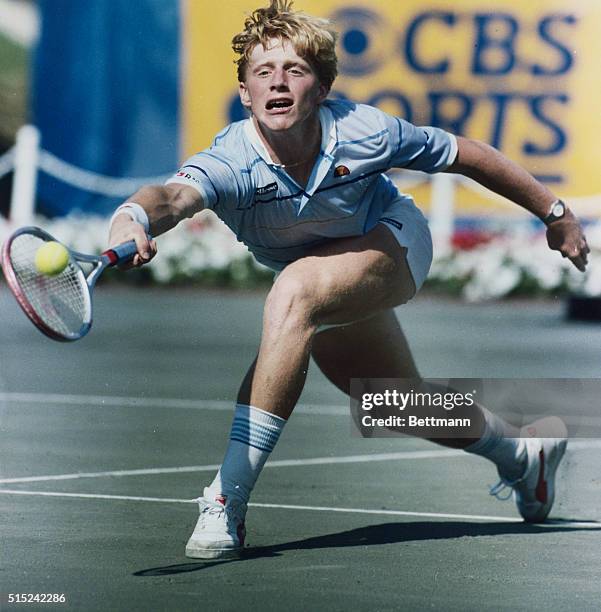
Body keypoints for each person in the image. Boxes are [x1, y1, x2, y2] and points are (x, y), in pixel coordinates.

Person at [108, 0, 589, 559]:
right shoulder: (231, 160)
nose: (278, 83)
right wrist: (132, 218)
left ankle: (225, 502)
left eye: (296, 70)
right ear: (245, 92)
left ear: (323, 86)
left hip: (394, 246)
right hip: (322, 282)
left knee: (293, 290)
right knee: (392, 403)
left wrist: (556, 214)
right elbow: (170, 198)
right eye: (263, 72)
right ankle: (522, 456)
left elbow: (467, 156)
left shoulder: (367, 131)